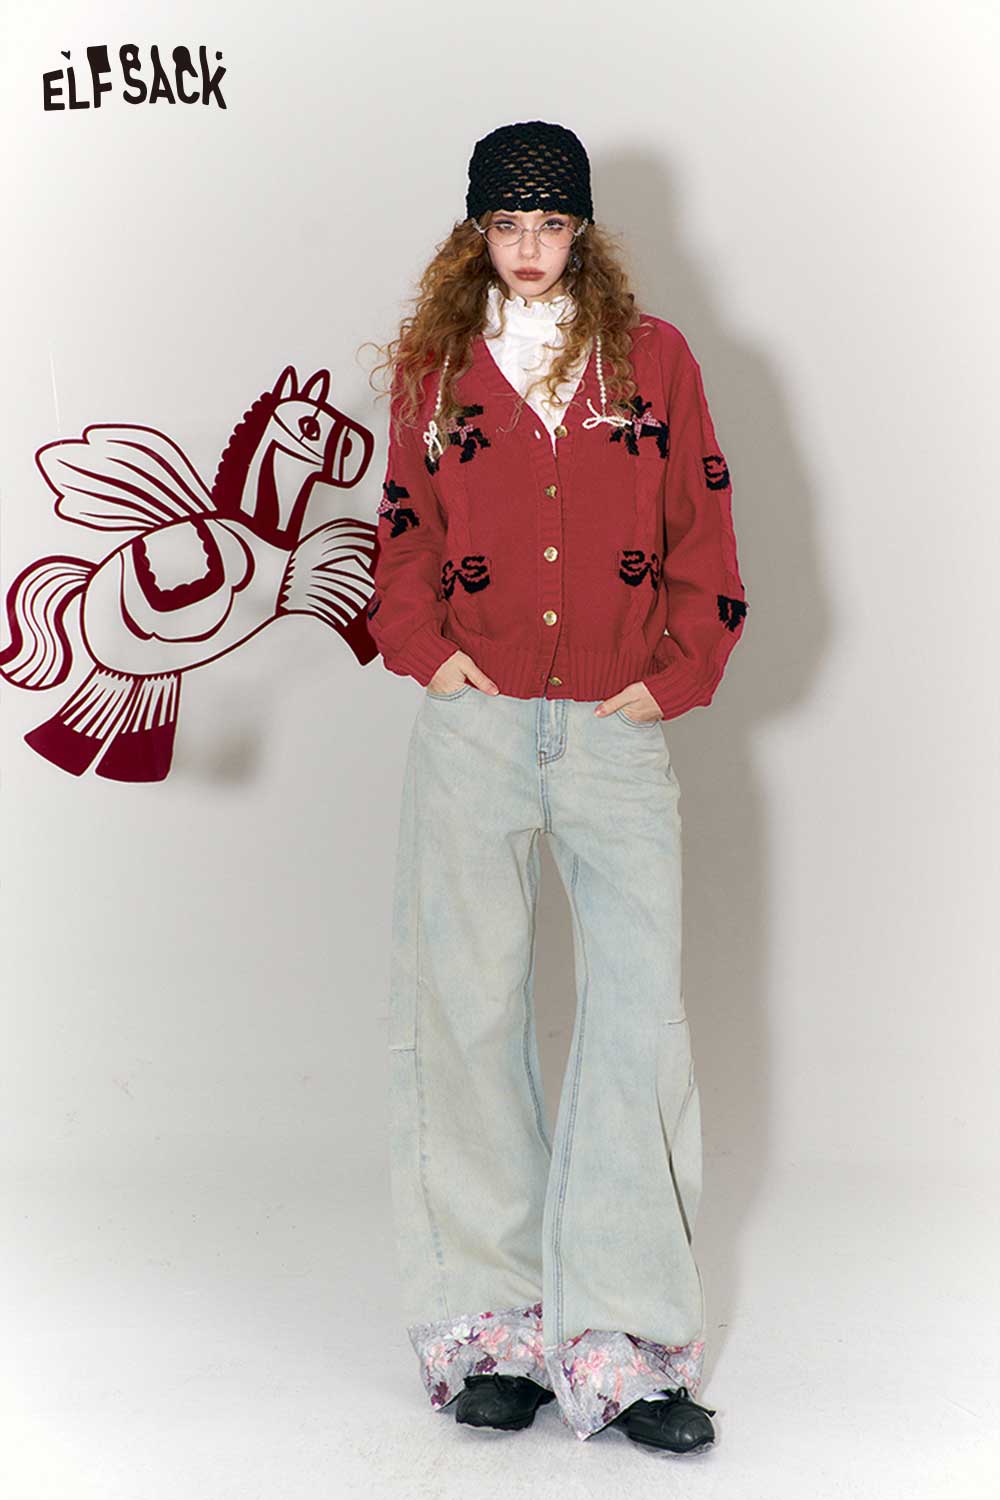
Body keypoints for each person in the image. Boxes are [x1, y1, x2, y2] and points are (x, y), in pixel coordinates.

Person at [363, 120, 748, 1452]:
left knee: (637, 1018)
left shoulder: (655, 361)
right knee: (466, 1009)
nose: (529, 249)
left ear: (582, 231)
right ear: (477, 233)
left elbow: (706, 523)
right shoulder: (435, 368)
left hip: (614, 727)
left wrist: (676, 674)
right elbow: (400, 530)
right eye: (507, 226)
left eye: (550, 224)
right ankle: (496, 1328)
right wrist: (428, 653)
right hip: (473, 725)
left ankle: (628, 1343)